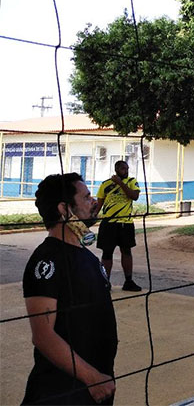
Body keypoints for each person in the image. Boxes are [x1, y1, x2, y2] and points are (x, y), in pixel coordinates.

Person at [22, 173, 117, 404]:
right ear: (65, 209)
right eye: (86, 197)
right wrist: (92, 377)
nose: (94, 202)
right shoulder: (47, 261)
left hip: (94, 387)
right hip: (62, 393)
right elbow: (43, 336)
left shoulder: (88, 257)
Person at [96, 161, 141, 292]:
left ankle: (128, 281)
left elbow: (134, 196)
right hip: (108, 224)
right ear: (116, 169)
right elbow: (99, 204)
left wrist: (120, 183)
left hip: (125, 223)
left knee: (126, 251)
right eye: (122, 169)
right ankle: (105, 281)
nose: (125, 171)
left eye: (127, 168)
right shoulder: (105, 185)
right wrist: (90, 218)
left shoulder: (131, 182)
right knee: (107, 253)